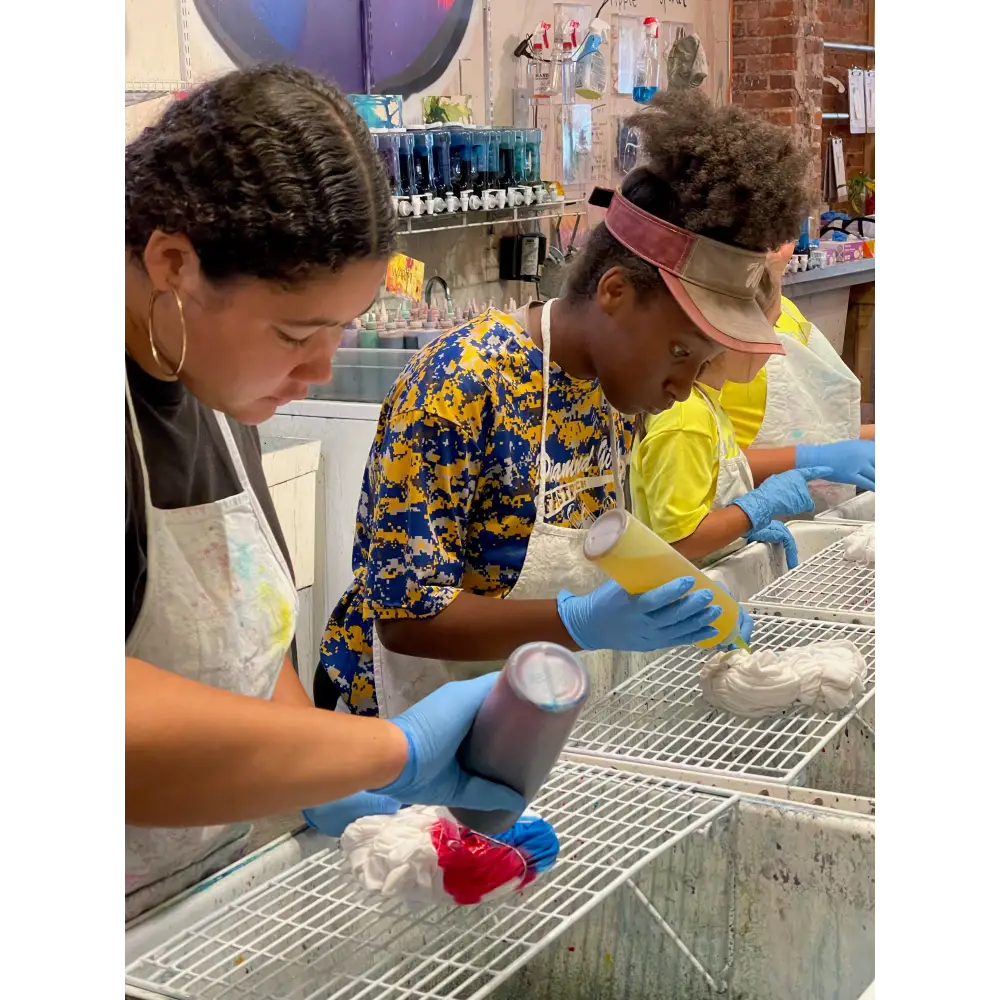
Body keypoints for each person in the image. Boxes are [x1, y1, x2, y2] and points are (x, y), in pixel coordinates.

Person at [121, 65, 525, 922]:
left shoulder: (208, 373)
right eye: (298, 333)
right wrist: (383, 749)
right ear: (173, 263)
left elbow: (242, 637)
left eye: (339, 330)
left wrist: (331, 786)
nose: (321, 369)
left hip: (203, 899)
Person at [316, 90, 809, 720]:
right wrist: (578, 621)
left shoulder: (617, 393)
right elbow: (407, 620)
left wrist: (672, 583)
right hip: (410, 720)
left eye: (704, 360)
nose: (684, 387)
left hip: (526, 702)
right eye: (681, 352)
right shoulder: (460, 386)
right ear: (614, 293)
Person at [630, 350, 834, 568]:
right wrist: (757, 509)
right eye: (769, 327)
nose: (777, 347)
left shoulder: (707, 404)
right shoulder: (684, 417)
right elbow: (682, 542)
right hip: (679, 590)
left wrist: (739, 533)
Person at [719, 241, 878, 512]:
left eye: (786, 236)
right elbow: (713, 464)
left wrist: (866, 437)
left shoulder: (785, 310)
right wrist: (811, 458)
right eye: (765, 240)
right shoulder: (704, 378)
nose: (777, 250)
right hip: (739, 519)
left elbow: (805, 426)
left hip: (812, 514)